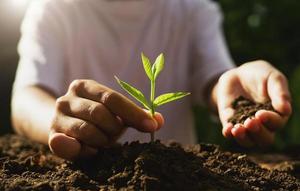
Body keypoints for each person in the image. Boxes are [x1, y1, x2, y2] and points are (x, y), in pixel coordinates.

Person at [11, 0, 292, 160]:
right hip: (91, 173)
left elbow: (216, 81)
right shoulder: (53, 10)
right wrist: (56, 119)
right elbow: (26, 96)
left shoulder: (192, 11)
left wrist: (235, 93)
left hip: (179, 176)